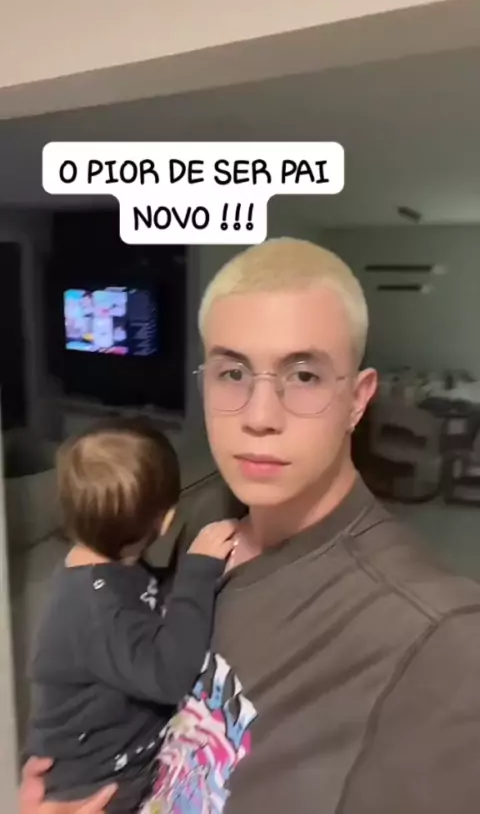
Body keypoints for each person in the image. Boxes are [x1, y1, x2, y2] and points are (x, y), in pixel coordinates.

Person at [21, 237, 480, 814]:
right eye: (233, 372)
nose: (259, 417)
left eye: (305, 376)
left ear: (358, 399)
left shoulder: (440, 642)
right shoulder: (194, 534)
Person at [25, 417, 237, 813]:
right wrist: (198, 572)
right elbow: (168, 676)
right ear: (165, 520)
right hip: (97, 786)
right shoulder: (96, 611)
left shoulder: (104, 567)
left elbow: (144, 601)